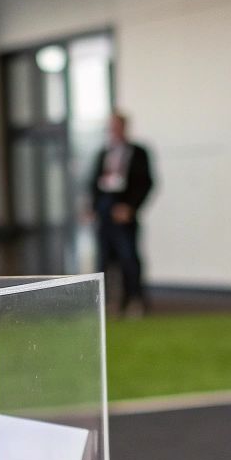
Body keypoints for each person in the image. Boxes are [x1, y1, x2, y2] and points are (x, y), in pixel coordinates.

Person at [87, 110, 155, 315]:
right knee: (104, 259)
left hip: (124, 212)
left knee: (129, 258)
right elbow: (94, 184)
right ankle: (107, 303)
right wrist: (92, 208)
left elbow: (146, 183)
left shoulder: (138, 152)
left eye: (116, 125)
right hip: (105, 211)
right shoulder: (103, 153)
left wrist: (130, 207)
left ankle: (134, 300)